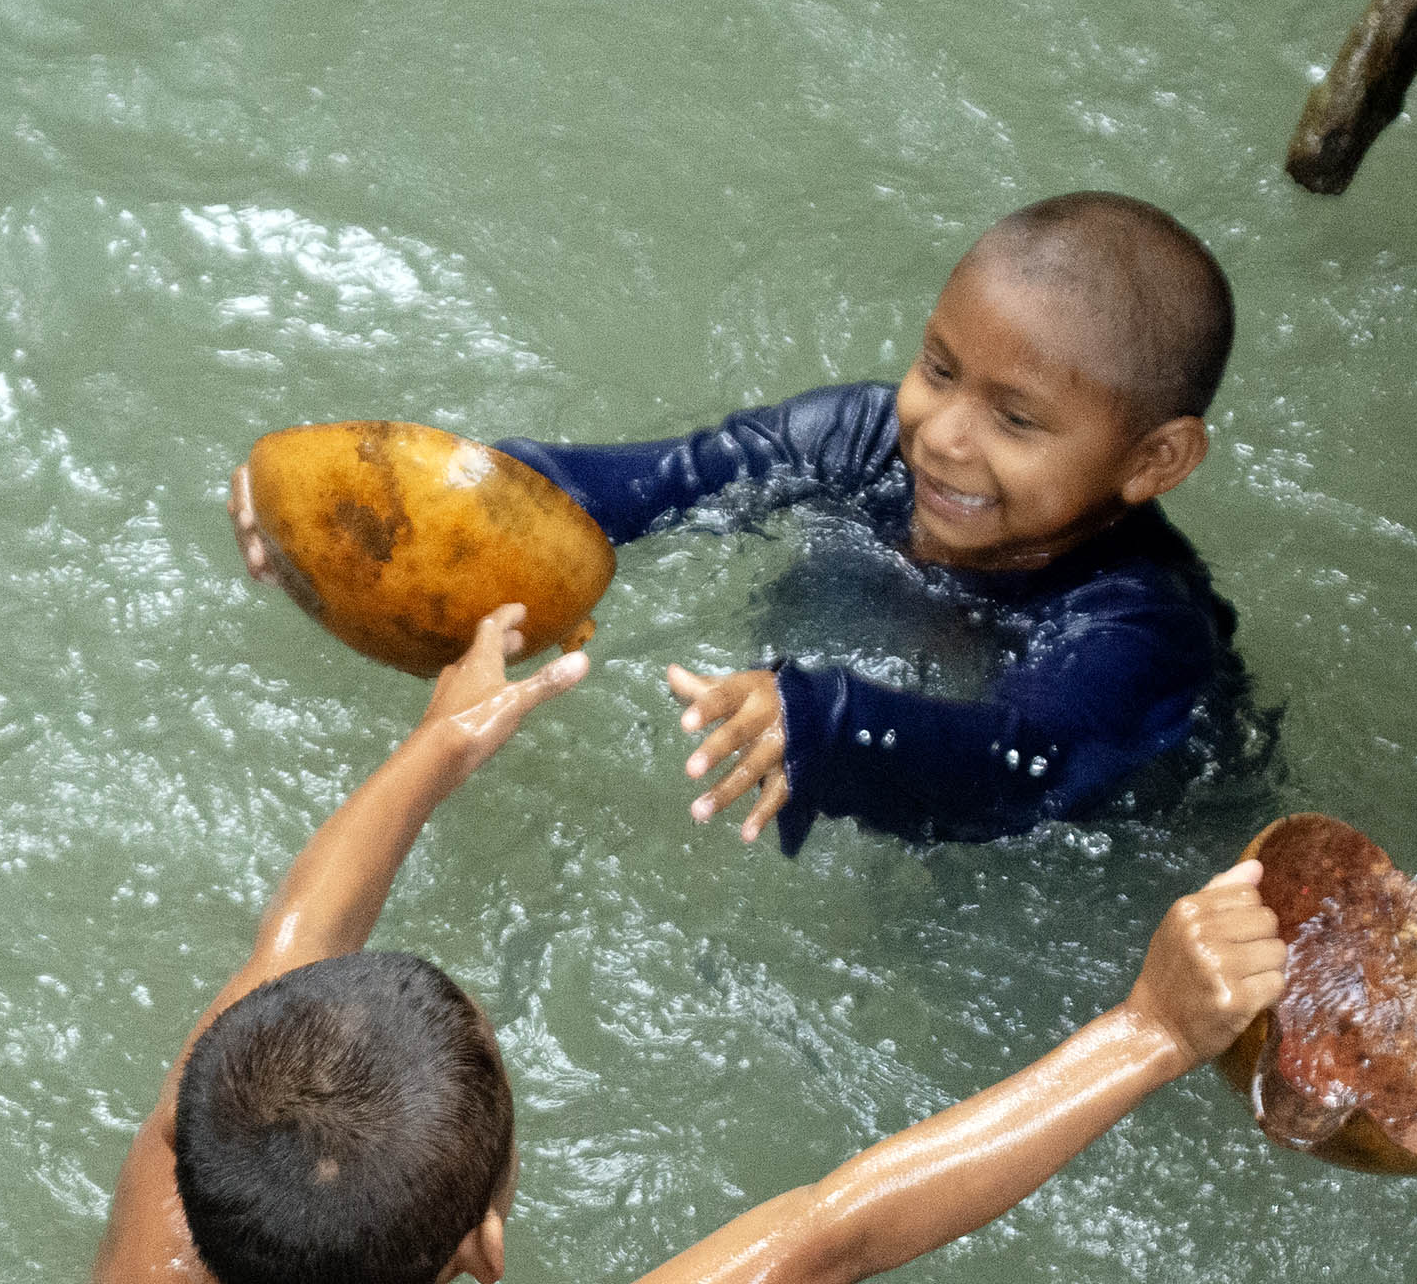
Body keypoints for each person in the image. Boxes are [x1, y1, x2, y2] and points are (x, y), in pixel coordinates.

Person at [81, 604, 1285, 1284]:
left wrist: (437, 742)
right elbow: (835, 1235)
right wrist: (1150, 1031)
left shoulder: (159, 1210)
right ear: (485, 1243)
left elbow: (291, 940)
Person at [229, 192, 1245, 856]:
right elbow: (644, 485)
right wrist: (370, 501)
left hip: (1087, 853)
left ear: (1155, 461)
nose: (941, 434)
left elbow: (1026, 763)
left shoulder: (1139, 627)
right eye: (938, 368)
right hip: (834, 700)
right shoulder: (858, 441)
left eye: (1015, 420)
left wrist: (839, 726)